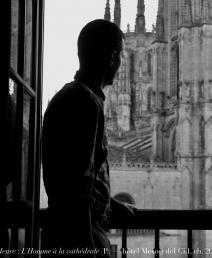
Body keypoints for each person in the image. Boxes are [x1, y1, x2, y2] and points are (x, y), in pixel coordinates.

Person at [41, 19, 135, 258]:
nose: (122, 63)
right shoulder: (84, 103)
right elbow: (77, 193)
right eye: (122, 55)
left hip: (71, 234)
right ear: (112, 57)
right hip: (81, 238)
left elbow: (75, 176)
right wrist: (88, 250)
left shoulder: (75, 96)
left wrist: (111, 205)